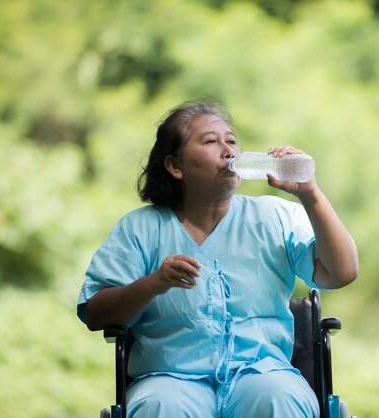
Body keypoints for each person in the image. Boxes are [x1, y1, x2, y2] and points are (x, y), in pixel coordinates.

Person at [77, 99, 358, 418]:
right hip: (170, 379)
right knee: (159, 406)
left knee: (278, 397)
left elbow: (342, 272)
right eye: (211, 141)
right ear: (175, 166)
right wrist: (153, 284)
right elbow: (95, 313)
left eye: (232, 141)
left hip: (262, 374)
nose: (229, 152)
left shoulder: (276, 217)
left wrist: (310, 194)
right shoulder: (140, 229)